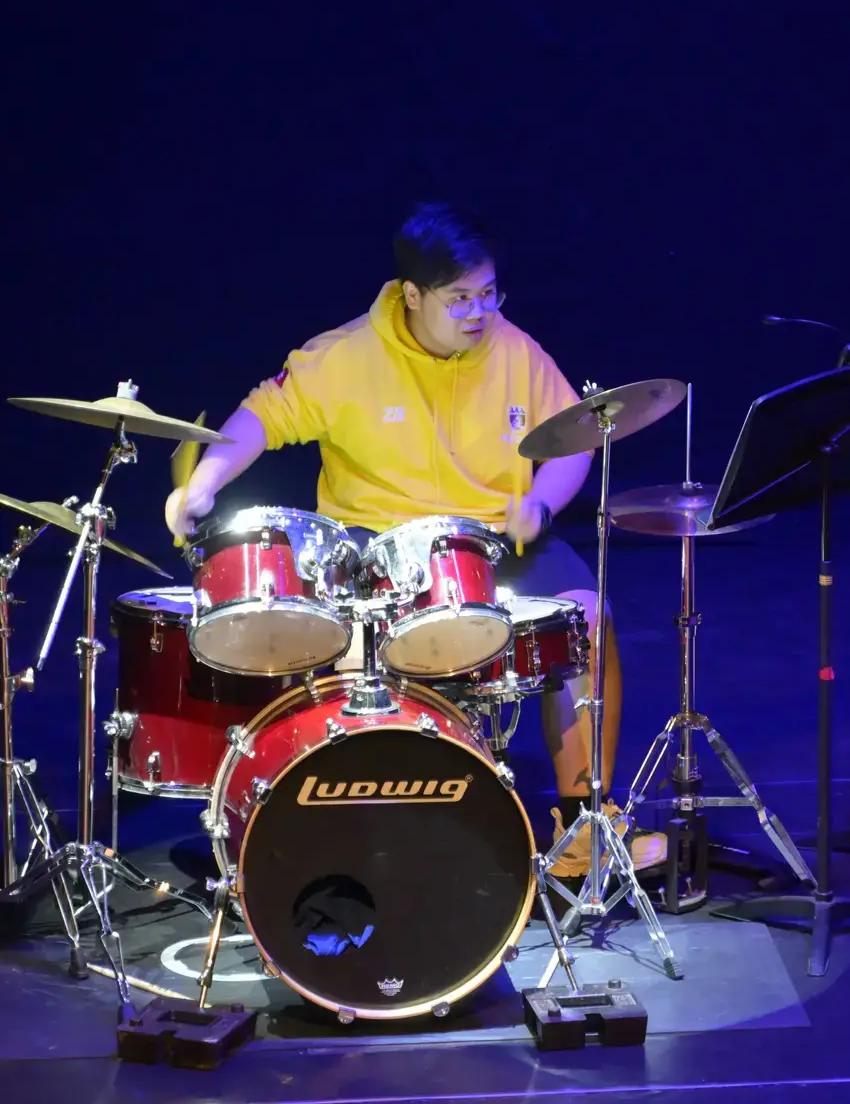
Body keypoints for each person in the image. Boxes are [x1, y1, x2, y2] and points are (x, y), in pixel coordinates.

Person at [166, 203, 665, 883]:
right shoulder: (344, 355)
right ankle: (336, 832)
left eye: (489, 294)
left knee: (589, 616)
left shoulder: (515, 350)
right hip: (375, 547)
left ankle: (587, 829)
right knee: (338, 653)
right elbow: (261, 416)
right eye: (460, 298)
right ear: (411, 296)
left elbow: (573, 439)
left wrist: (541, 502)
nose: (479, 312)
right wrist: (204, 484)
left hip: (493, 540)